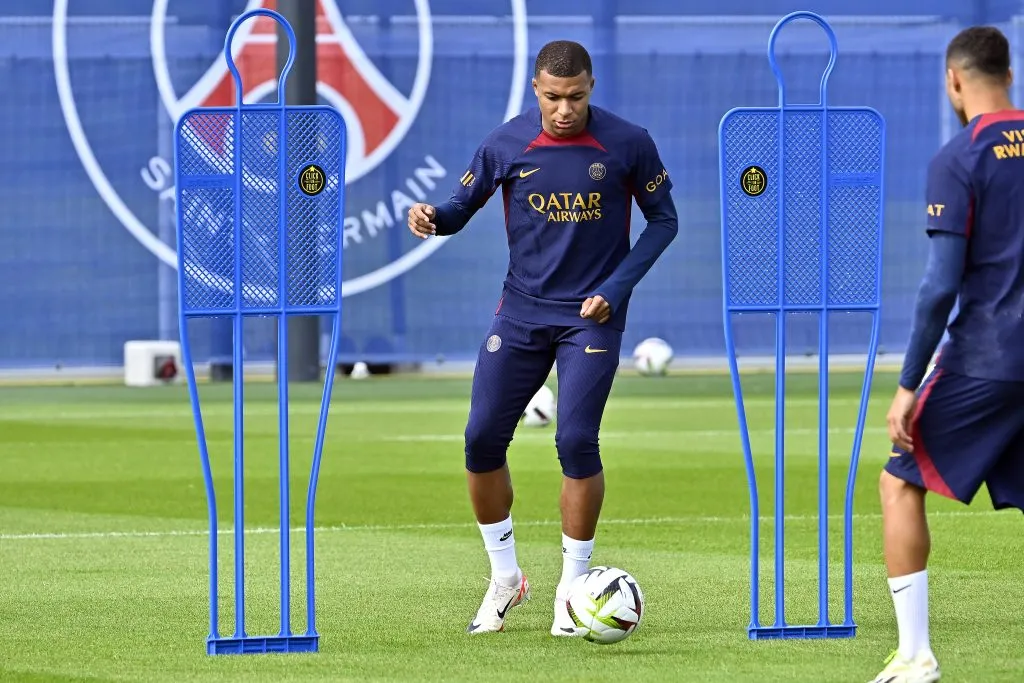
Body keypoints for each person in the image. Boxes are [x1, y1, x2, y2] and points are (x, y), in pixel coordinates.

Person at [406, 39, 677, 636]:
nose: (564, 109)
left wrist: (618, 286)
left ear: (591, 87)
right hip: (522, 313)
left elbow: (665, 220)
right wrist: (432, 219)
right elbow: (459, 207)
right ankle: (505, 577)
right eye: (553, 97)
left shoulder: (628, 142)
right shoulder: (506, 142)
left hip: (592, 317)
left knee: (576, 439)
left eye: (575, 97)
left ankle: (571, 589)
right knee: (480, 439)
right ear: (536, 90)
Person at [874, 25, 1024, 683]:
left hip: (989, 358)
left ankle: (916, 655)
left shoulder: (961, 157)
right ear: (1010, 76)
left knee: (899, 479)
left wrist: (910, 382)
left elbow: (939, 285)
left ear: (954, 81)